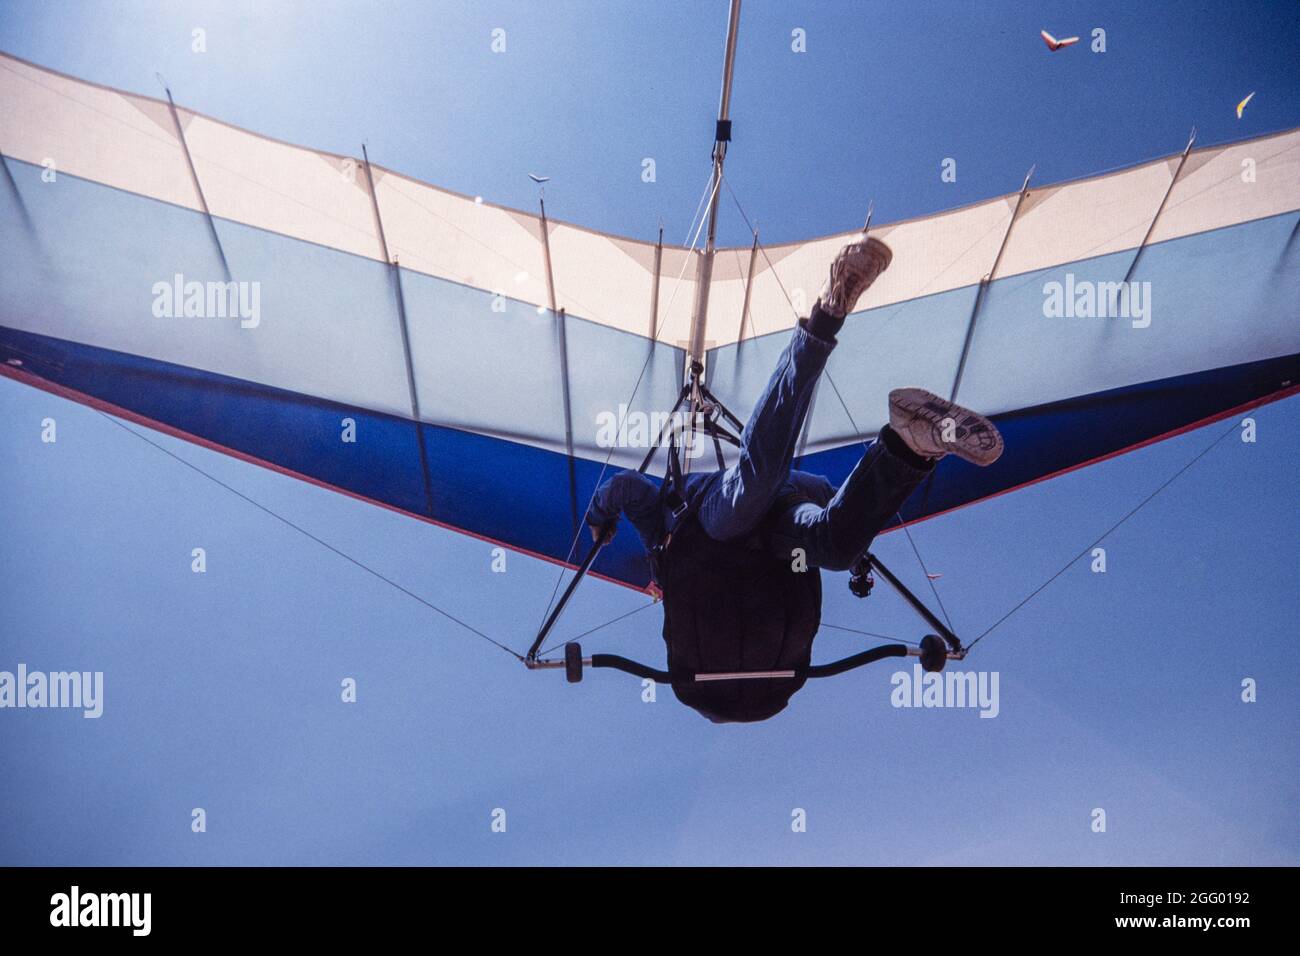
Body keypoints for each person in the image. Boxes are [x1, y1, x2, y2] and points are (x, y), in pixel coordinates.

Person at [584, 238, 1004, 722]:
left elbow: (628, 489)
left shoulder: (662, 545)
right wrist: (851, 542)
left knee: (758, 483)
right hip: (783, 538)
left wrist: (598, 518)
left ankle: (829, 310)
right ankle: (910, 443)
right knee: (834, 546)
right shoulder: (677, 573)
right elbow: (825, 503)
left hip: (718, 523)